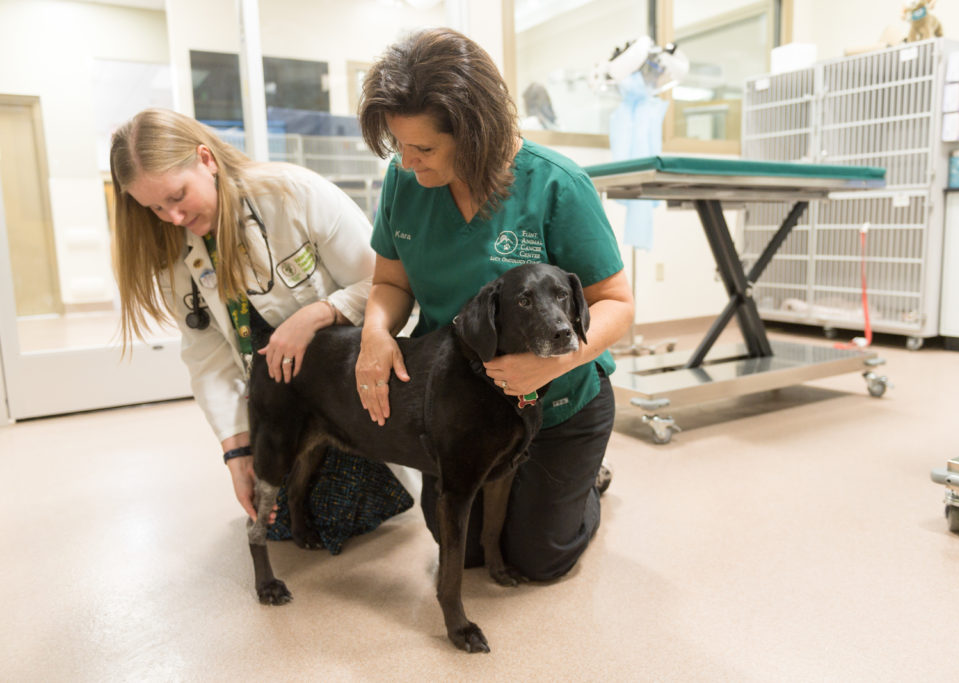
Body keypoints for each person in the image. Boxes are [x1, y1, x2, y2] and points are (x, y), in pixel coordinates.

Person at [356, 28, 634, 581]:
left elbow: (616, 303)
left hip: (559, 402)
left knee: (537, 559)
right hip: (464, 403)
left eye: (425, 149)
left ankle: (586, 481)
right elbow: (390, 282)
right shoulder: (403, 181)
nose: (408, 163)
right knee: (471, 550)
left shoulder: (556, 185)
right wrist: (374, 331)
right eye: (398, 146)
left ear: (475, 134)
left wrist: (555, 361)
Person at [110, 108, 412, 552]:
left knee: (335, 516)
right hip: (276, 393)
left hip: (340, 384)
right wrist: (235, 452)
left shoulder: (294, 193)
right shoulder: (175, 248)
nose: (171, 217)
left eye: (177, 196)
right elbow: (206, 355)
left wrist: (317, 315)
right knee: (280, 519)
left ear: (206, 160)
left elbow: (386, 284)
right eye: (155, 207)